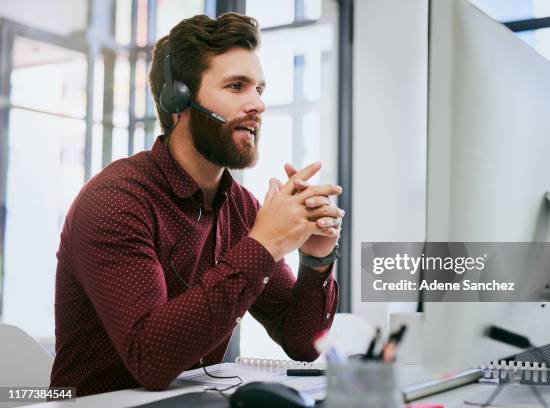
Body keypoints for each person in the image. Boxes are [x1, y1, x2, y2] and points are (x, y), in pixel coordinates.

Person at [50, 13, 343, 397]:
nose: (258, 104)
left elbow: (303, 342)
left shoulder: (240, 208)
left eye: (260, 89)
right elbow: (150, 358)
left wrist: (316, 259)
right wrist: (266, 243)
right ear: (178, 99)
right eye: (237, 86)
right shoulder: (116, 200)